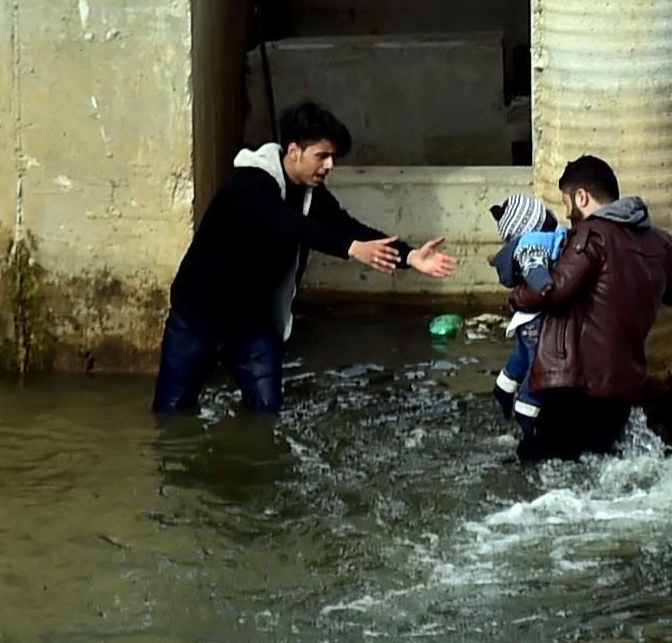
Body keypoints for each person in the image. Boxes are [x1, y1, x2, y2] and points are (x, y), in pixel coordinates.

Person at [153, 102, 454, 414]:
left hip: (251, 325)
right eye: (322, 155)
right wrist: (350, 249)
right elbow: (288, 225)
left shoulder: (312, 195)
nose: (329, 166)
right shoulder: (250, 183)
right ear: (294, 151)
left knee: (267, 416)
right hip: (198, 317)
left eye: (333, 157)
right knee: (170, 415)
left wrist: (409, 256)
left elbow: (345, 226)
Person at [505, 155, 672, 462]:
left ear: (581, 197)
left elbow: (554, 289)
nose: (566, 213)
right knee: (594, 472)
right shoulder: (659, 243)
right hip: (621, 392)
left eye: (566, 202)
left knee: (536, 468)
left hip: (575, 387)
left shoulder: (592, 236)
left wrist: (516, 296)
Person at [488, 193, 564, 442]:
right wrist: (544, 285)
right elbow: (533, 265)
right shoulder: (535, 240)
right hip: (537, 321)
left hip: (525, 320)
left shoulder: (531, 240)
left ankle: (504, 388)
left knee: (520, 358)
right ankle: (527, 410)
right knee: (537, 365)